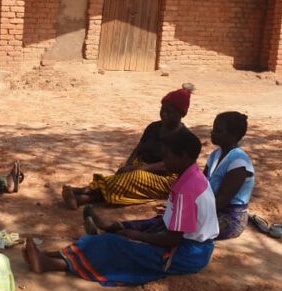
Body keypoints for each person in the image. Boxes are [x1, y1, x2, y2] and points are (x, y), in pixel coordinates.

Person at [26, 129, 218, 286]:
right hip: (188, 244)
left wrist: (139, 237)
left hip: (187, 254)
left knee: (116, 245)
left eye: (167, 156)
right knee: (135, 229)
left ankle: (51, 263)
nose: (164, 161)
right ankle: (58, 254)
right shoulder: (192, 177)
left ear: (183, 156)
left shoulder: (187, 190)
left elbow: (171, 239)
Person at [62, 84, 193, 209]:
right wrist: (128, 165)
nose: (164, 114)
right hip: (142, 165)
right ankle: (83, 197)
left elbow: (166, 165)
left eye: (169, 112)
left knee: (133, 178)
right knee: (124, 177)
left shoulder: (183, 137)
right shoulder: (154, 127)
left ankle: (84, 194)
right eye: (163, 110)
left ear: (181, 114)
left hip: (166, 178)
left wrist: (136, 169)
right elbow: (139, 148)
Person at [205, 112, 255, 240]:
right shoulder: (215, 155)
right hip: (213, 208)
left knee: (186, 227)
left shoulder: (238, 163)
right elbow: (201, 184)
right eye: (213, 129)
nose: (213, 133)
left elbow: (221, 201)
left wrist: (193, 211)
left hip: (231, 218)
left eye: (218, 130)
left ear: (233, 135)